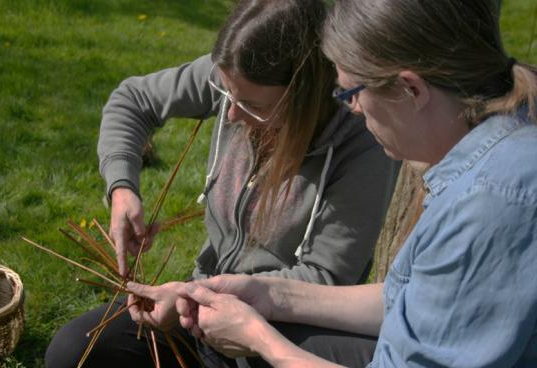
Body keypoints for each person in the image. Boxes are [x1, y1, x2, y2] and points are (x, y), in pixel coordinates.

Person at [127, 0, 537, 367]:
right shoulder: (487, 159)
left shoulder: (490, 202)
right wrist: (269, 294)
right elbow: (405, 298)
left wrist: (260, 339)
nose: (352, 109)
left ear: (411, 88)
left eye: (351, 92)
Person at [45, 0, 398, 367]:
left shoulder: (361, 140)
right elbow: (133, 100)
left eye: (251, 105)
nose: (231, 114)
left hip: (282, 329)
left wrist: (193, 299)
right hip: (201, 298)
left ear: (302, 93)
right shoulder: (238, 79)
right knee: (72, 351)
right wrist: (122, 189)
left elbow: (325, 276)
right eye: (228, 94)